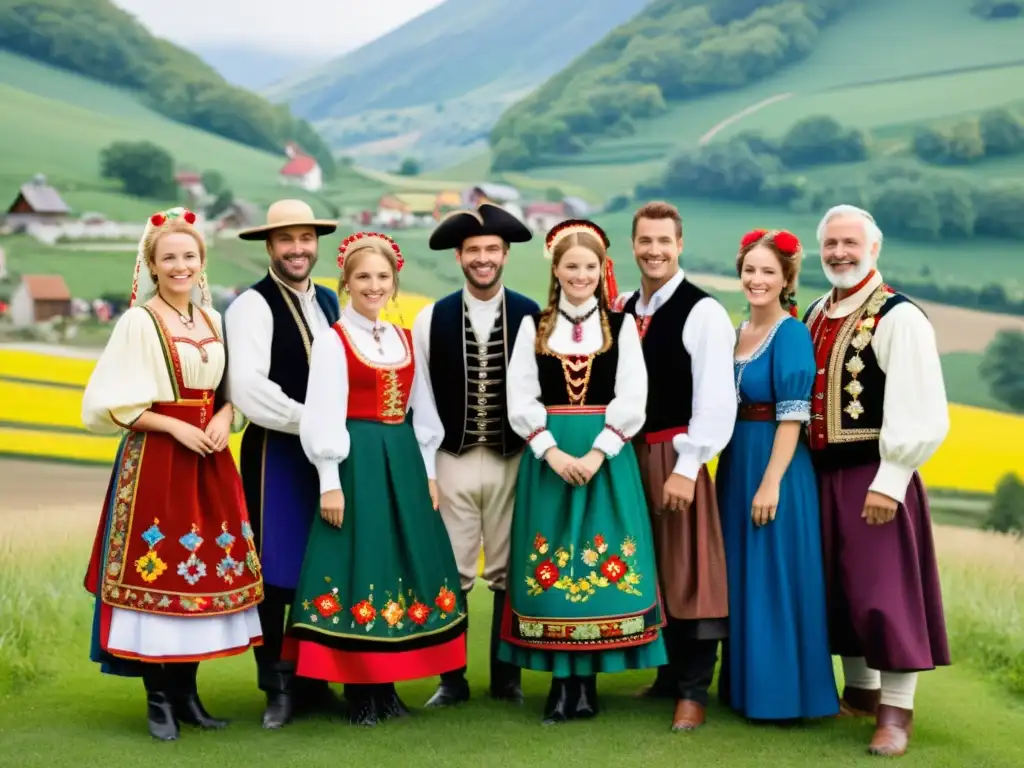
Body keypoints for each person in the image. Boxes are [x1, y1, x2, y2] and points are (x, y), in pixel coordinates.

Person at [81, 207, 263, 741]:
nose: (180, 266)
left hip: (210, 458)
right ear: (152, 265)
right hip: (159, 460)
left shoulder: (213, 319)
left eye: (188, 256)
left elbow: (229, 392)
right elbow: (112, 402)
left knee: (201, 572)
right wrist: (177, 428)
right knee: (159, 569)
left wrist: (226, 417)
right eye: (169, 258)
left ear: (201, 262)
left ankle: (188, 695)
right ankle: (158, 698)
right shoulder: (140, 321)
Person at [284, 231, 468, 727]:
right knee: (360, 562)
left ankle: (385, 689)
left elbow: (422, 411)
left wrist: (428, 472)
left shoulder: (404, 340)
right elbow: (322, 414)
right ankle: (360, 692)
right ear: (344, 283)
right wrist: (329, 478)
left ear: (395, 282)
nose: (374, 285)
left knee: (398, 568)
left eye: (382, 277)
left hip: (403, 461)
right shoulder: (333, 341)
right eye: (363, 276)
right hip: (357, 460)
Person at [497, 219, 667, 724]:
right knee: (551, 569)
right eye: (571, 266)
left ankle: (586, 685)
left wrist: (597, 453)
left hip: (605, 460)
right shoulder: (535, 327)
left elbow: (633, 396)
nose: (580, 275)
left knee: (600, 563)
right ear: (556, 269)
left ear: (601, 269)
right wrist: (550, 451)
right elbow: (521, 396)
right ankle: (559, 684)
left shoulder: (622, 327)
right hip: (549, 460)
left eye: (589, 266)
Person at [803, 204, 950, 757]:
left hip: (874, 473)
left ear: (874, 248)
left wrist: (891, 478)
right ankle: (860, 693)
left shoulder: (897, 316)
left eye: (849, 243)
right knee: (840, 588)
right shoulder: (818, 310)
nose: (839, 252)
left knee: (883, 593)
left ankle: (896, 712)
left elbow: (922, 408)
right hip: (820, 474)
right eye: (831, 243)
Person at [614, 201, 738, 731]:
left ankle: (693, 693)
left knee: (691, 571)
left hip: (676, 450)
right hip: (630, 454)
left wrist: (689, 465)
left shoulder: (702, 310)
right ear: (633, 244)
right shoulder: (623, 307)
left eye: (664, 241)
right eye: (645, 241)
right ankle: (666, 677)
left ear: (680, 244)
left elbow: (715, 397)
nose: (654, 250)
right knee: (653, 569)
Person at [412, 203, 540, 708]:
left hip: (513, 457)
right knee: (452, 570)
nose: (482, 259)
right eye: (473, 251)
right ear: (459, 257)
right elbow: (421, 401)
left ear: (505, 254)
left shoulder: (532, 313)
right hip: (452, 456)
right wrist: (427, 469)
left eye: (491, 250)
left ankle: (507, 681)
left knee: (510, 570)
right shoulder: (430, 317)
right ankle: (452, 681)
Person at [226, 199, 342, 728]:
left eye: (306, 238)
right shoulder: (252, 306)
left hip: (332, 455)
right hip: (277, 451)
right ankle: (275, 687)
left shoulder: (332, 303)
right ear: (269, 246)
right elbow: (248, 389)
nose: (298, 248)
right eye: (287, 240)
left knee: (323, 568)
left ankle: (314, 681)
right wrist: (313, 423)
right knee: (275, 572)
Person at [714, 228, 839, 722]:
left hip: (776, 465)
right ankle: (745, 687)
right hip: (736, 461)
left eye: (768, 271)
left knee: (774, 575)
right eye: (750, 270)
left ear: (787, 278)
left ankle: (782, 696)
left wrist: (770, 483)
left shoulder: (789, 333)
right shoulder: (737, 330)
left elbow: (792, 417)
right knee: (744, 575)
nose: (756, 279)